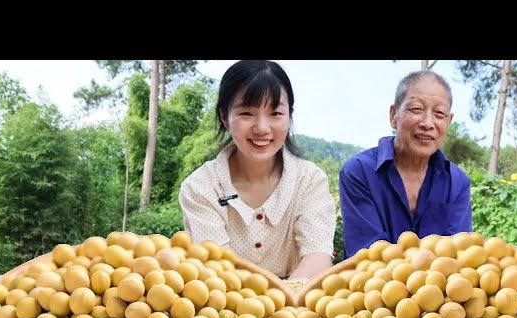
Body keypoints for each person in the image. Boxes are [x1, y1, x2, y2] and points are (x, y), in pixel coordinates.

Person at [179, 60, 336, 280]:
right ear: (225, 117)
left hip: (298, 306)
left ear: (289, 115)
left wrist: (285, 304)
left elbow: (317, 257)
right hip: (225, 306)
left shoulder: (309, 180)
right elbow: (220, 270)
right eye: (246, 113)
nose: (262, 128)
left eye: (276, 114)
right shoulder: (200, 188)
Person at [339, 70, 472, 259]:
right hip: (370, 286)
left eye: (439, 114)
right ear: (394, 115)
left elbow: (458, 255)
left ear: (449, 122)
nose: (428, 123)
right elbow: (368, 257)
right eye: (416, 109)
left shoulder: (457, 182)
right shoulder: (359, 171)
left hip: (441, 288)